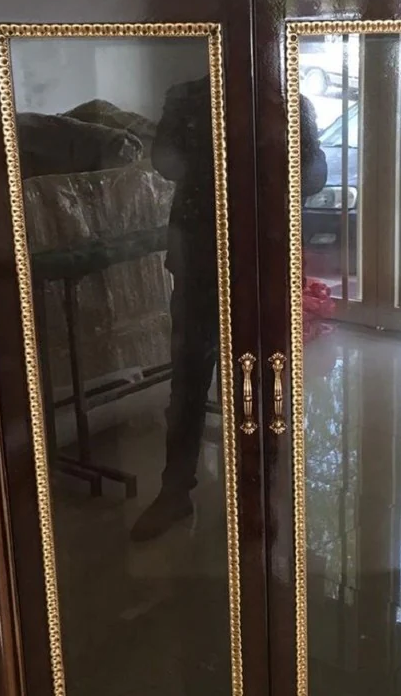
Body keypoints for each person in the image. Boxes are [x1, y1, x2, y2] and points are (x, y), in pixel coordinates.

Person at [131, 76, 327, 541]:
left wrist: (268, 163)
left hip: (263, 258)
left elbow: (316, 176)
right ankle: (174, 491)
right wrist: (219, 155)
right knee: (189, 381)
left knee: (265, 380)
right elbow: (163, 162)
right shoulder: (187, 95)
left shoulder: (289, 100)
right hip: (199, 256)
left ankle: (259, 496)